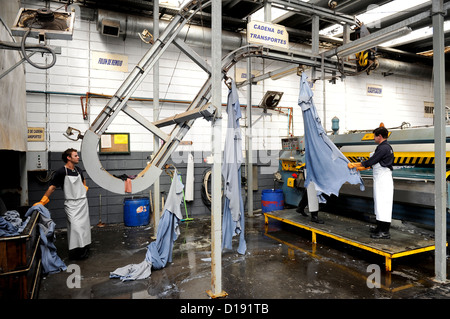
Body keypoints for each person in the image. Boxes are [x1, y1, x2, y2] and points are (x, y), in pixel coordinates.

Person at [34, 148, 92, 259]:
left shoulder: (79, 170)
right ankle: (76, 252)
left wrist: (84, 190)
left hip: (82, 203)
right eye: (75, 155)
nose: (78, 157)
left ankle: (84, 249)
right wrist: (42, 201)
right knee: (75, 227)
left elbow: (83, 182)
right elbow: (52, 188)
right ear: (68, 158)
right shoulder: (61, 172)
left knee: (84, 227)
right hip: (71, 204)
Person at [348, 126, 394, 239]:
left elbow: (371, 162)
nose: (374, 138)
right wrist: (358, 166)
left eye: (375, 136)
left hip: (383, 180)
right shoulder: (383, 147)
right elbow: (371, 163)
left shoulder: (383, 148)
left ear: (379, 136)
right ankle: (379, 228)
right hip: (380, 179)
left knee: (383, 205)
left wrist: (355, 165)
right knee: (379, 204)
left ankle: (384, 232)